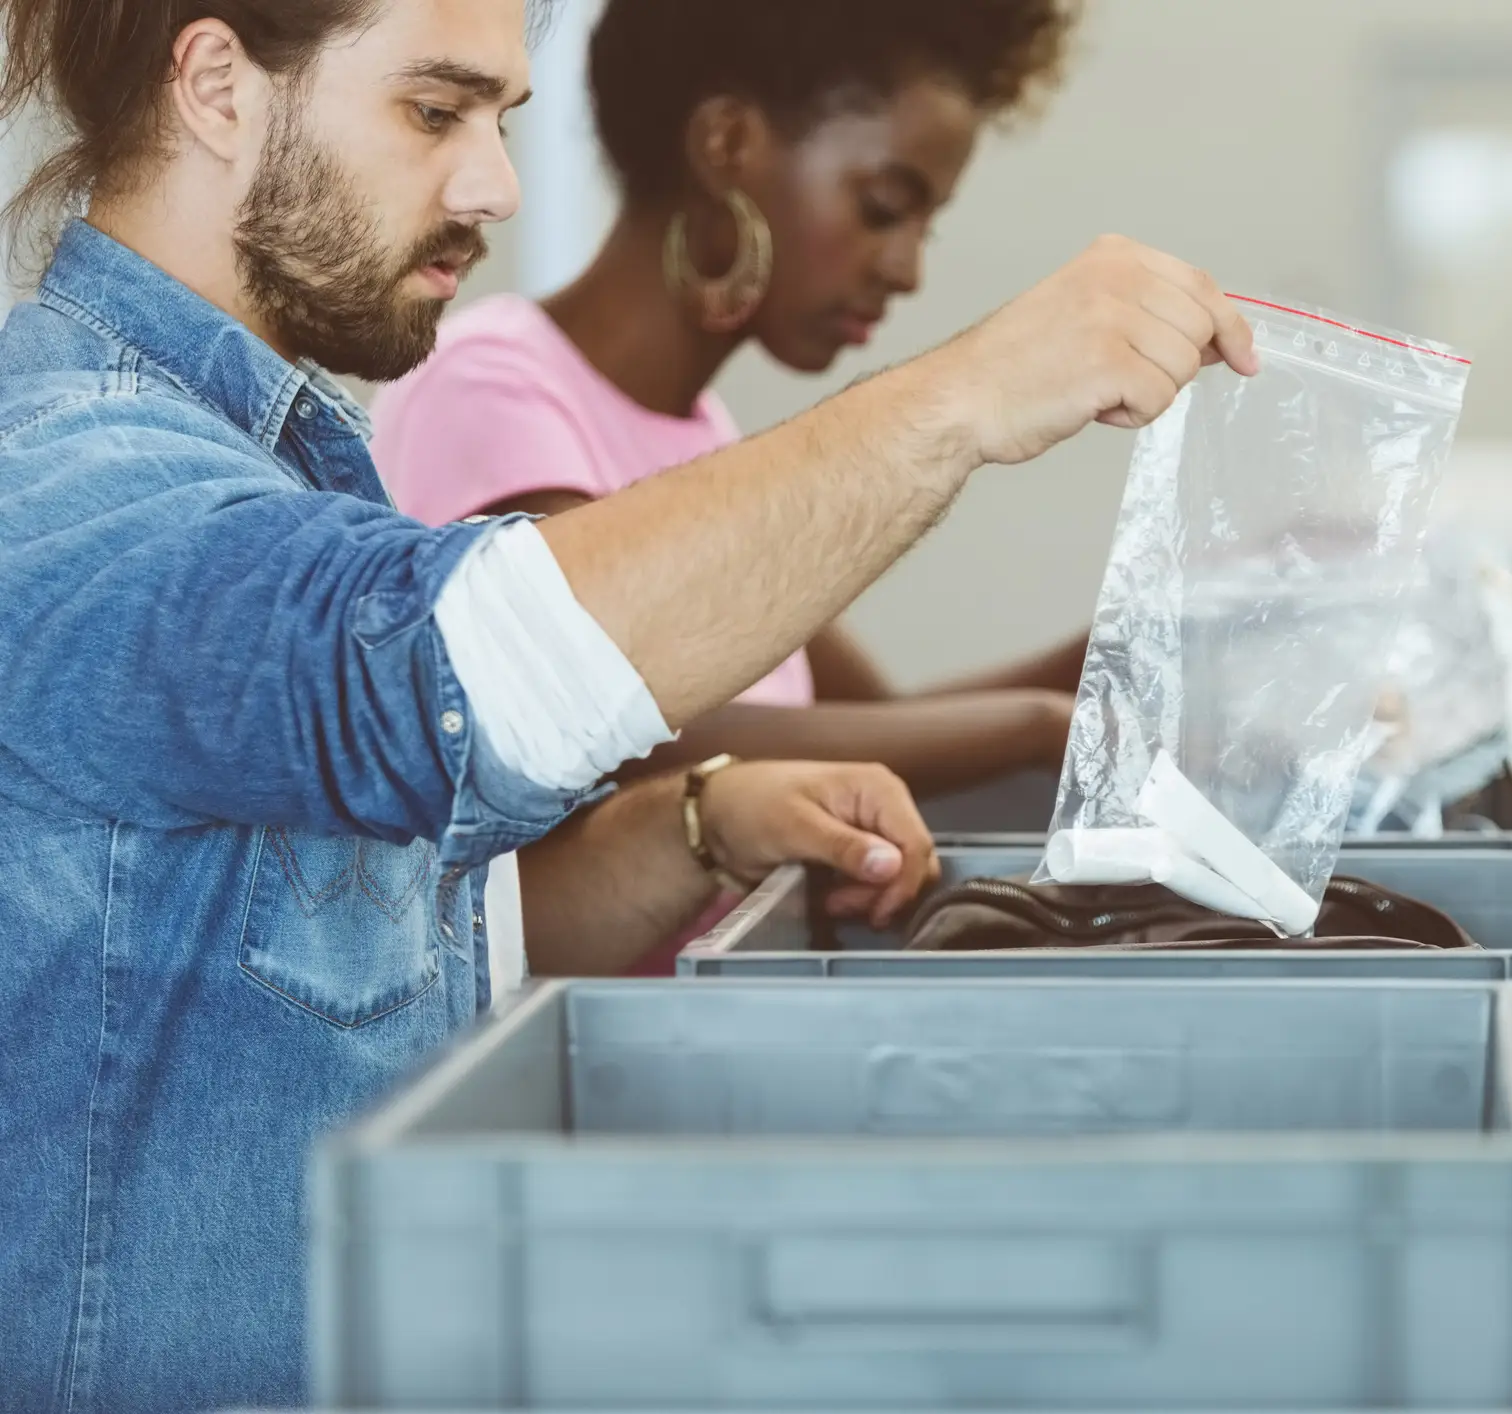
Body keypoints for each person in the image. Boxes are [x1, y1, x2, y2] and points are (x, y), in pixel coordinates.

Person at [0, 0, 1257, 1408]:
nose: (495, 185)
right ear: (219, 87)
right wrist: (967, 395)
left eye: (501, 121)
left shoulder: (260, 464)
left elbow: (395, 950)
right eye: (434, 111)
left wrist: (694, 832)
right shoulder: (71, 474)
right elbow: (460, 669)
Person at [372, 0, 1089, 811]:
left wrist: (1118, 648)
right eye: (885, 207)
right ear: (728, 146)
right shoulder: (491, 386)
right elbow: (618, 720)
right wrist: (1037, 727)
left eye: (927, 225)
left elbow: (875, 722)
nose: (906, 268)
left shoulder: (702, 437)